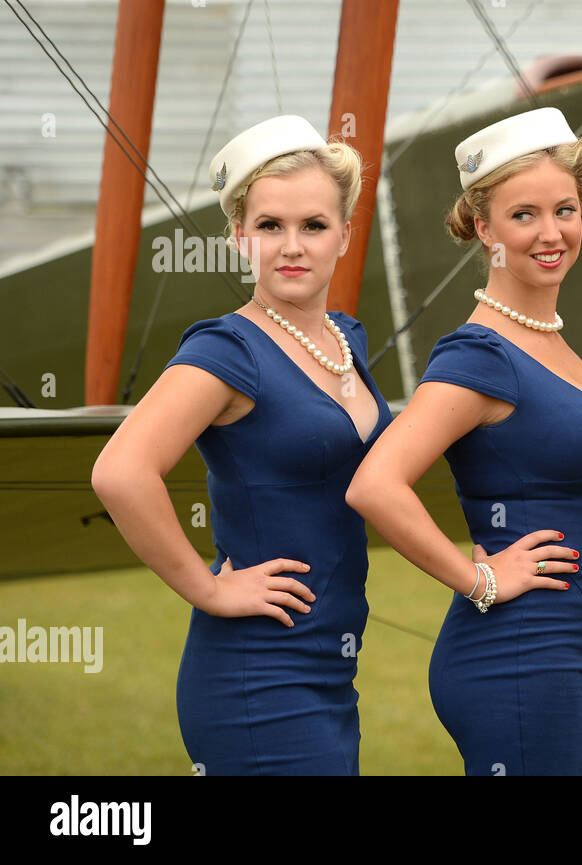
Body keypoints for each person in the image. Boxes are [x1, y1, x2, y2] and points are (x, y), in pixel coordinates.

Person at [92, 115, 390, 774]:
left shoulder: (346, 339)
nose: (292, 245)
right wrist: (210, 589)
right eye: (269, 226)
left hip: (330, 666)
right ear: (238, 237)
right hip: (258, 674)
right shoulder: (227, 351)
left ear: (344, 234)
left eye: (313, 225)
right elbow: (120, 471)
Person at [346, 108, 582, 775]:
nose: (551, 232)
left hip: (562, 664)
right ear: (483, 226)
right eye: (523, 214)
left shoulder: (551, 342)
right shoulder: (479, 356)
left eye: (565, 209)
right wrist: (478, 578)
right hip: (518, 661)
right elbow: (375, 484)